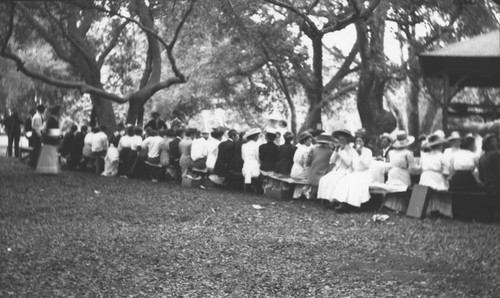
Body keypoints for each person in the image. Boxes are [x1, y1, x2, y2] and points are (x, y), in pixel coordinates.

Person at [331, 129, 373, 212]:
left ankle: (350, 205)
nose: (358, 143)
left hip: (365, 173)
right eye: (357, 141)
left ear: (364, 142)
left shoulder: (368, 151)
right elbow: (353, 165)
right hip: (356, 172)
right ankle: (340, 201)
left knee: (354, 183)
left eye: (360, 141)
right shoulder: (354, 151)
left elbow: (367, 165)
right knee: (345, 180)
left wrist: (360, 155)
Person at [317, 129, 355, 203]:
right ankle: (325, 199)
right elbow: (332, 161)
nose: (341, 142)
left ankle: (333, 200)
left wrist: (343, 151)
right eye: (340, 140)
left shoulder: (351, 150)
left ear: (347, 140)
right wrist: (336, 151)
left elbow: (349, 163)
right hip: (336, 170)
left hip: (345, 171)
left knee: (333, 181)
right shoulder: (338, 149)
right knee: (324, 179)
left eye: (343, 140)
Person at [35, 106, 62, 174]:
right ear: (57, 112)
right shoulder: (52, 120)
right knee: (49, 155)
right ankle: (48, 170)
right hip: (50, 140)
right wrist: (58, 136)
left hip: (50, 140)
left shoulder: (52, 119)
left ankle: (48, 169)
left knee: (49, 155)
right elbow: (52, 131)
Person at [306, 133, 333, 199]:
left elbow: (307, 162)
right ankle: (315, 194)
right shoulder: (330, 151)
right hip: (323, 172)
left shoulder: (313, 148)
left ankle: (312, 193)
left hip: (313, 172)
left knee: (314, 179)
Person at [478, 134, 500, 199]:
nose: (496, 143)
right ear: (488, 144)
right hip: (497, 187)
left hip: (487, 188)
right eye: (493, 141)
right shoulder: (496, 155)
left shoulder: (481, 157)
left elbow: (481, 176)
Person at [241, 128, 262, 192]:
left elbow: (243, 156)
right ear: (255, 136)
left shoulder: (244, 145)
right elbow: (257, 156)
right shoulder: (257, 145)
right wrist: (260, 162)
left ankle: (248, 188)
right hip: (254, 163)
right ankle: (256, 188)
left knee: (247, 175)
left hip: (246, 163)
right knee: (256, 174)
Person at [29, 104, 45, 168]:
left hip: (37, 133)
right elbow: (37, 128)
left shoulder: (39, 116)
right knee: (36, 149)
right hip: (36, 134)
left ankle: (33, 163)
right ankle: (33, 163)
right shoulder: (37, 117)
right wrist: (40, 136)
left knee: (36, 149)